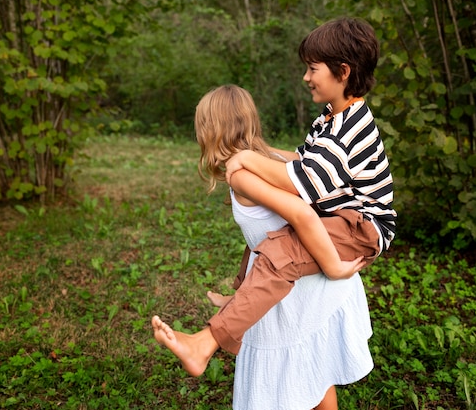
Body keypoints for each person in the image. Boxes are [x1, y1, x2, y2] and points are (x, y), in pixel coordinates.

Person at [152, 16, 396, 381]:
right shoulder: (330, 119)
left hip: (363, 226)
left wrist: (248, 159)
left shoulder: (348, 129)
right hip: (342, 215)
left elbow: (301, 185)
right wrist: (259, 151)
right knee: (268, 237)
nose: (306, 77)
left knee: (280, 250)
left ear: (342, 72)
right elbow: (300, 160)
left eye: (313, 68)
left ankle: (205, 344)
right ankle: (240, 299)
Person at [153, 84, 374, 409]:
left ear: (210, 130)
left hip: (300, 292)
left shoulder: (243, 176)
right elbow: (264, 234)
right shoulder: (267, 159)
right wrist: (242, 287)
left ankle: (203, 345)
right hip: (299, 281)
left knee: (283, 387)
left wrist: (334, 266)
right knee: (315, 375)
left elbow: (300, 215)